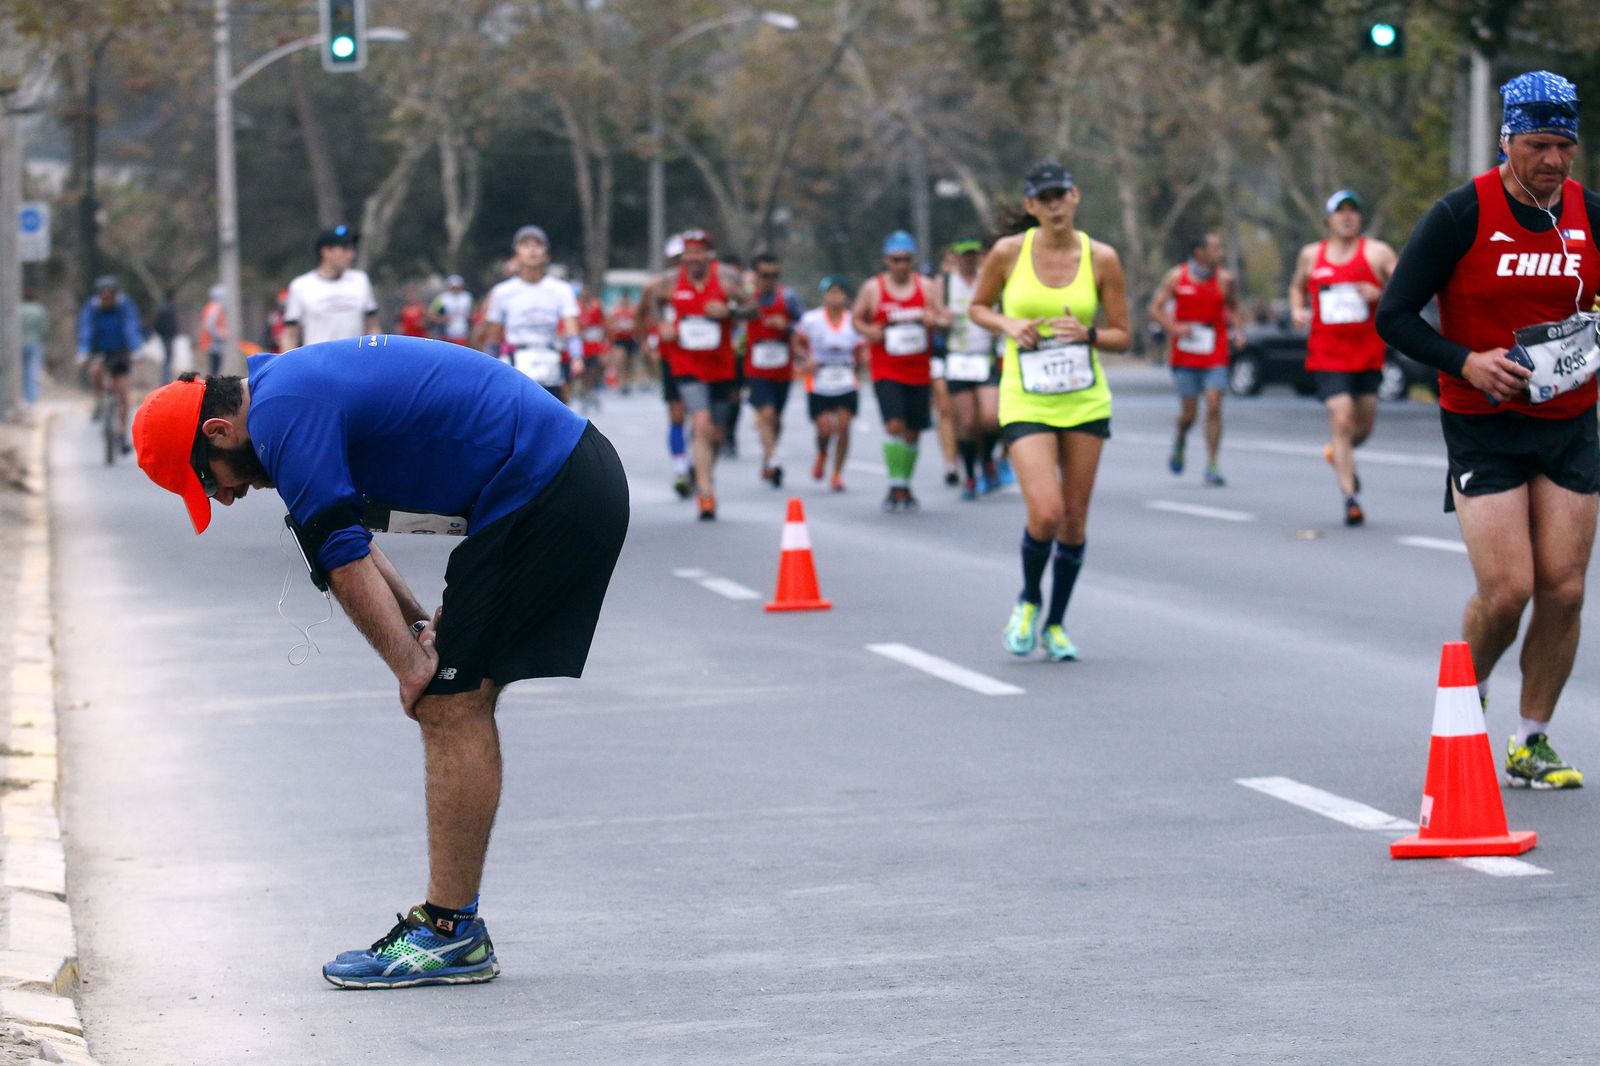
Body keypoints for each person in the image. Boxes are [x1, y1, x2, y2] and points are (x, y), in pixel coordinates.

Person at [129, 334, 627, 987]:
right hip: (544, 484)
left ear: (220, 431)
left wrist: (412, 668)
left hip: (549, 485)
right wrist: (419, 628)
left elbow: (340, 555)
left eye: (208, 483)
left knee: (450, 703)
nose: (223, 500)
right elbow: (352, 539)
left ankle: (450, 933)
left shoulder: (286, 415)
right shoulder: (286, 399)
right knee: (450, 694)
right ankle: (453, 928)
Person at [1376, 70, 1598, 790]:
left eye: (1566, 145)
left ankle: (1532, 741)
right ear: (1507, 140)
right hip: (1484, 425)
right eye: (1539, 144)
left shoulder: (1590, 214)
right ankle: (1463, 707)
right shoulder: (1460, 214)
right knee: (1508, 591)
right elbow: (1396, 315)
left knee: (1563, 590)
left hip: (1568, 420)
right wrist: (1466, 362)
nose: (1555, 161)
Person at [968, 162, 1130, 662]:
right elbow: (977, 307)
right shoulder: (1008, 253)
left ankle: (1056, 624)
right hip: (1027, 397)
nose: (1056, 205)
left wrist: (1090, 335)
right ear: (1031, 207)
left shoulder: (1101, 258)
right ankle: (1028, 600)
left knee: (1074, 522)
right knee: (1047, 511)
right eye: (1046, 198)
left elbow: (1125, 335)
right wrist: (1009, 325)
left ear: (1077, 197)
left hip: (1083, 398)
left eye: (1063, 195)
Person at [1290, 191, 1398, 524]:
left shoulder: (1377, 252)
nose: (1347, 217)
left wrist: (1381, 293)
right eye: (1341, 212)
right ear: (1329, 220)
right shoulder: (1312, 255)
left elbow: (1406, 285)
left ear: (1360, 219)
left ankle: (1337, 454)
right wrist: (1297, 309)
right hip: (1327, 353)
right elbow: (1297, 286)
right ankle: (1350, 497)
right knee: (1342, 418)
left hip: (1367, 354)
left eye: (1353, 211)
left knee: (1362, 429)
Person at [637, 230, 749, 520]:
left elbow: (753, 308)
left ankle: (703, 475)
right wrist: (660, 326)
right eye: (688, 253)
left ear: (709, 255)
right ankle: (706, 492)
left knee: (717, 433)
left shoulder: (726, 278)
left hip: (721, 364)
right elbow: (649, 303)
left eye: (699, 252)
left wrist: (729, 309)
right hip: (685, 362)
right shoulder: (669, 282)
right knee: (700, 422)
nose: (693, 258)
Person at [853, 230, 949, 511]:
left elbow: (944, 321)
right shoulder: (873, 288)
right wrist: (870, 330)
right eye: (896, 260)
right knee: (894, 424)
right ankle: (895, 483)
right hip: (886, 369)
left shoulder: (927, 287)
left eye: (906, 260)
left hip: (919, 369)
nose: (901, 265)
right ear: (886, 261)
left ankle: (905, 485)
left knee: (913, 431)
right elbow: (857, 319)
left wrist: (935, 320)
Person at [1149, 232, 1241, 487]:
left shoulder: (1224, 280)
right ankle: (1180, 438)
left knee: (1214, 403)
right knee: (1189, 414)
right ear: (1199, 252)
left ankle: (1212, 463)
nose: (1220, 253)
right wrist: (1173, 327)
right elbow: (1155, 308)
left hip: (1215, 352)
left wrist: (1239, 332)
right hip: (1185, 354)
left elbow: (1234, 307)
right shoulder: (1177, 276)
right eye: (1215, 248)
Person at [482, 225, 583, 406]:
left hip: (550, 365)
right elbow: (493, 338)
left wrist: (577, 357)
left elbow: (571, 328)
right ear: (517, 253)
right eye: (525, 245)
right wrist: (487, 368)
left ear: (546, 253)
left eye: (538, 244)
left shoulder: (561, 290)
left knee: (554, 420)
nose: (532, 250)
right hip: (516, 364)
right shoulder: (502, 292)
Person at [943, 237, 1005, 499]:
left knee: (992, 419)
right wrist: (939, 320)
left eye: (972, 255)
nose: (968, 259)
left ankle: (988, 458)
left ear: (979, 257)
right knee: (967, 423)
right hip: (958, 359)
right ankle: (969, 474)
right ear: (956, 258)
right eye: (963, 255)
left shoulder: (989, 278)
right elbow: (930, 314)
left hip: (985, 357)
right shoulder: (944, 284)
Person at [794, 276, 865, 492]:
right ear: (824, 296)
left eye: (839, 292)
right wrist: (806, 360)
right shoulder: (811, 319)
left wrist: (860, 364)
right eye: (830, 293)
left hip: (845, 378)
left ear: (846, 296)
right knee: (825, 429)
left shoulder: (854, 320)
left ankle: (836, 474)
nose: (835, 297)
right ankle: (822, 453)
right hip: (820, 380)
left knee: (843, 427)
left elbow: (862, 349)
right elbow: (797, 343)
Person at [745, 253, 807, 488]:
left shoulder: (788, 298)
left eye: (774, 275)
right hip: (756, 368)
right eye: (765, 275)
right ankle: (773, 461)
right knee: (767, 414)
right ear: (756, 275)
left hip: (782, 369)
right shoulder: (748, 298)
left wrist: (788, 326)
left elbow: (805, 325)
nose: (770, 279)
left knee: (776, 418)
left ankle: (768, 455)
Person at [282, 225, 380, 350]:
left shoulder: (360, 280)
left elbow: (372, 326)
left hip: (354, 361)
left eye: (352, 249)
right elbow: (291, 334)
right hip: (318, 363)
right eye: (344, 249)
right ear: (326, 251)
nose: (351, 255)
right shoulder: (301, 286)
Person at [76, 275, 143, 452]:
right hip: (100, 350)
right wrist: (83, 351)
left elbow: (131, 327)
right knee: (95, 371)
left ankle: (122, 433)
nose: (106, 299)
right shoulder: (92, 307)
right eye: (103, 295)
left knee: (122, 391)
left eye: (110, 295)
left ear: (115, 294)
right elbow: (86, 329)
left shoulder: (124, 306)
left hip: (121, 351)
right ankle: (99, 400)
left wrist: (135, 349)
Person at [575, 286, 609, 412]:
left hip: (595, 346)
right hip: (582, 347)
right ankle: (585, 394)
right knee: (584, 373)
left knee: (594, 371)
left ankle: (593, 392)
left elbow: (603, 326)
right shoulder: (576, 308)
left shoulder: (596, 307)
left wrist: (605, 346)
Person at [20, 289, 47, 406]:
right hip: (35, 343)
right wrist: (43, 339)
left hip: (19, 344)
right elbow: (44, 328)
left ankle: (22, 396)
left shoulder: (17, 309)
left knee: (22, 371)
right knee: (33, 370)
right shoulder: (39, 309)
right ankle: (32, 398)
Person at [607, 294, 639, 393]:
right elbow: (610, 325)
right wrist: (617, 327)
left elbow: (638, 324)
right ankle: (622, 383)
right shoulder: (616, 312)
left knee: (629, 362)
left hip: (631, 339)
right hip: (620, 340)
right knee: (621, 360)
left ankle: (627, 382)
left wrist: (632, 326)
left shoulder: (633, 312)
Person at [431, 275, 474, 346]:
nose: (455, 289)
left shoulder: (467, 297)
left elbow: (472, 312)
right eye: (453, 287)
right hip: (447, 334)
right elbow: (431, 313)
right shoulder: (442, 298)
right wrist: (441, 319)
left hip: (463, 332)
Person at [199, 285, 229, 377]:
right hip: (213, 343)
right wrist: (220, 335)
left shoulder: (212, 307)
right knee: (214, 368)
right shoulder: (215, 308)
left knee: (214, 368)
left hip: (212, 342)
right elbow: (209, 326)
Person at [152, 288, 180, 384]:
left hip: (165, 336)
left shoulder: (163, 307)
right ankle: (166, 380)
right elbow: (168, 325)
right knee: (168, 359)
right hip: (167, 337)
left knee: (167, 358)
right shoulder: (168, 309)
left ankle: (166, 379)